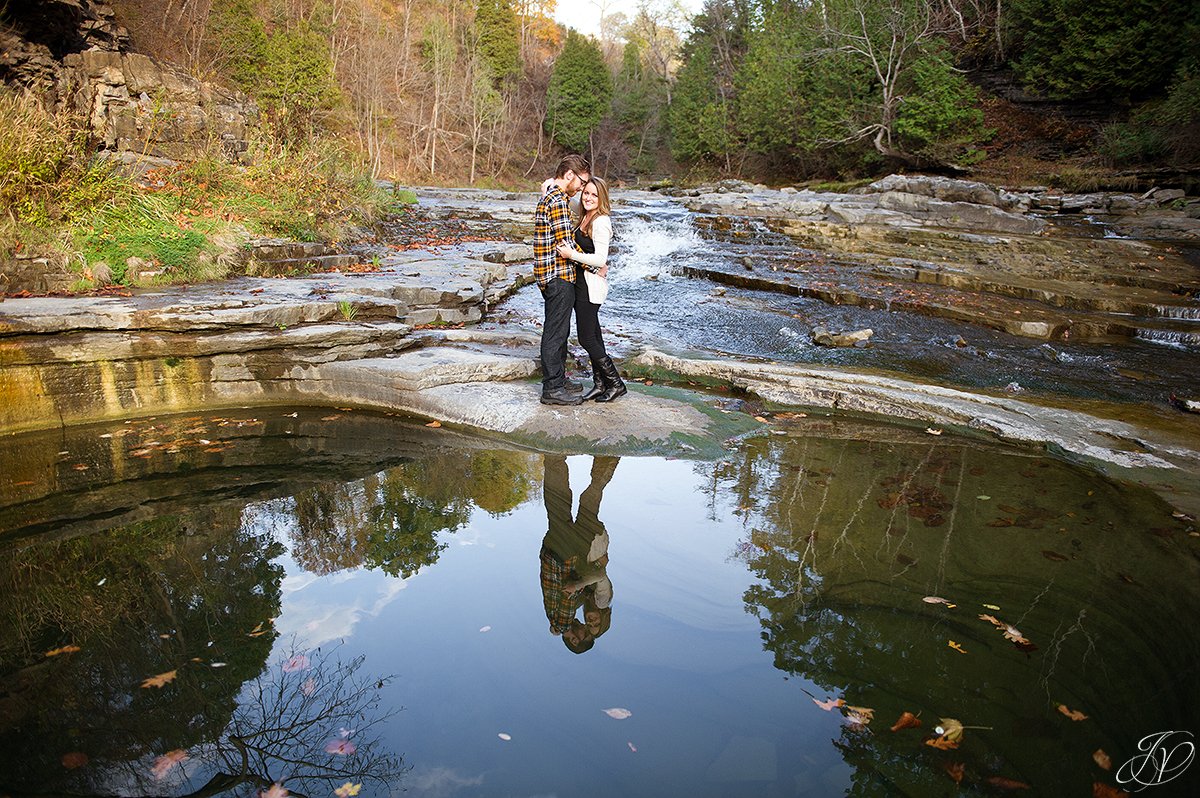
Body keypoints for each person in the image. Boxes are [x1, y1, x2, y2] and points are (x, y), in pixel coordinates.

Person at [538, 454, 620, 654]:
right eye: (592, 625)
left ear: (575, 640)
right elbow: (577, 585)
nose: (586, 624)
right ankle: (556, 459)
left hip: (562, 554)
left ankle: (604, 458)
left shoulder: (563, 622)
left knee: (571, 504)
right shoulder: (595, 603)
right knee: (563, 505)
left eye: (586, 630)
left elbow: (567, 595)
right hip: (568, 552)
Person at [556, 176, 626, 402]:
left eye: (594, 195)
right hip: (582, 283)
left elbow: (600, 258)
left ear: (602, 198)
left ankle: (616, 383)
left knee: (587, 338)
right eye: (586, 192)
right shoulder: (585, 213)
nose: (588, 197)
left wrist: (571, 255)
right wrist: (557, 183)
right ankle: (600, 384)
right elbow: (566, 198)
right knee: (595, 334)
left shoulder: (601, 221)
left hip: (590, 286)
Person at [533, 155, 590, 405]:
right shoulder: (557, 200)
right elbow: (565, 242)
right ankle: (552, 389)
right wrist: (594, 264)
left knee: (561, 330)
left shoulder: (554, 195)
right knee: (555, 332)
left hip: (554, 275)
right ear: (569, 175)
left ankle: (559, 379)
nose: (581, 188)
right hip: (558, 275)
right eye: (581, 182)